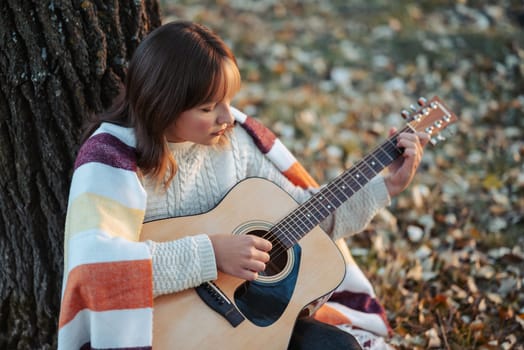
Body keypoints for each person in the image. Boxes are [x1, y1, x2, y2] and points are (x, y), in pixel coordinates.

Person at [58, 20, 428, 350]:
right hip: (156, 332)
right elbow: (97, 270)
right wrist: (211, 255)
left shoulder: (234, 142)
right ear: (162, 104)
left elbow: (303, 219)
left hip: (241, 325)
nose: (226, 117)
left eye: (228, 101)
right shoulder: (112, 159)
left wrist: (385, 187)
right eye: (207, 108)